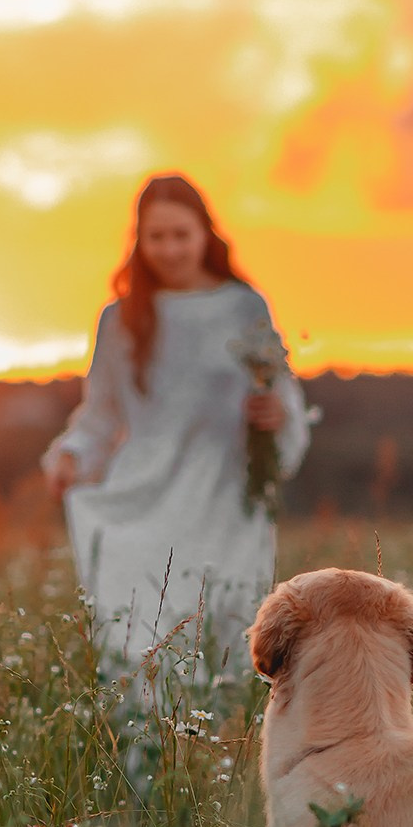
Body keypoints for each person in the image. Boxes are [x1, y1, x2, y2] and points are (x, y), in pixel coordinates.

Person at [42, 173, 311, 690]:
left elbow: (282, 398)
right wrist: (72, 456)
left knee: (232, 632)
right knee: (140, 634)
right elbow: (100, 416)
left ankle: (220, 757)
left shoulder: (243, 305)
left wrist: (276, 417)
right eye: (156, 237)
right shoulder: (120, 318)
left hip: (226, 496)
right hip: (145, 495)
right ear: (139, 241)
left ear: (206, 234)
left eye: (180, 235)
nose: (169, 249)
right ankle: (146, 759)